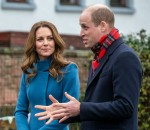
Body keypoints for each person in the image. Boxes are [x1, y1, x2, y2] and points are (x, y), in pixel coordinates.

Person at [35, 4, 143, 130]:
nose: (81, 33)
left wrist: (81, 108)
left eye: (85, 27)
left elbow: (125, 107)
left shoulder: (125, 57)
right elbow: (96, 107)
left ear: (103, 26)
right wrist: (64, 111)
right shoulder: (100, 56)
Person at [14, 21, 80, 130]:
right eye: (40, 39)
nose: (46, 43)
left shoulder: (69, 70)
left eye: (50, 38)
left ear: (55, 41)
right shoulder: (29, 71)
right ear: (33, 44)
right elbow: (21, 110)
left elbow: (67, 112)